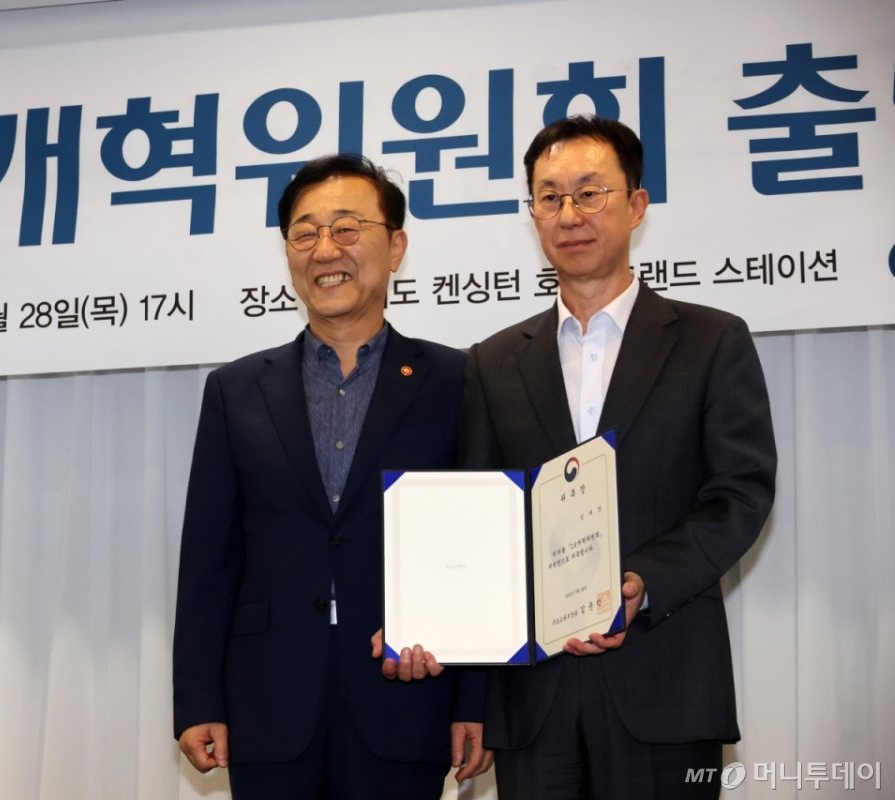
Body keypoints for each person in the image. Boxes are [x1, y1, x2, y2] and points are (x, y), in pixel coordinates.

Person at [376, 116, 777, 798]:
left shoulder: (711, 341)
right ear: (532, 213)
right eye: (550, 197)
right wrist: (430, 614)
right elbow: (479, 522)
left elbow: (741, 493)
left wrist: (641, 581)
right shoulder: (495, 361)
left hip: (664, 683)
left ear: (636, 205)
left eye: (590, 193)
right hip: (534, 700)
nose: (570, 214)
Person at [172, 154, 491, 800]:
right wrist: (197, 697)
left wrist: (477, 701)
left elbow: (480, 551)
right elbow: (208, 560)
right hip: (267, 699)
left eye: (347, 228)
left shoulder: (459, 381)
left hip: (408, 695)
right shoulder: (236, 390)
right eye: (305, 233)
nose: (325, 250)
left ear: (395, 247)